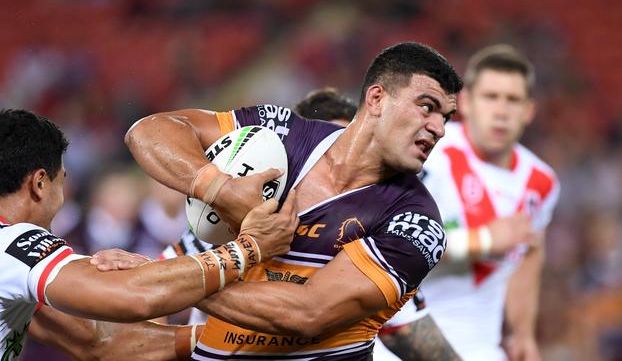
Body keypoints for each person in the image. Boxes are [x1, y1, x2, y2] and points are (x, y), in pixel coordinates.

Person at [125, 41, 463, 360]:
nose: (439, 129)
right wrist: (220, 190)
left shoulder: (418, 222)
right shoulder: (279, 135)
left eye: (445, 117)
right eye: (427, 107)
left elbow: (307, 313)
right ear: (376, 98)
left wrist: (167, 278)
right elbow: (149, 130)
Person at [0, 109, 298, 360]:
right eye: (60, 182)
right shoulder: (13, 244)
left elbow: (98, 341)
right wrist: (248, 249)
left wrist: (229, 338)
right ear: (39, 184)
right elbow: (136, 296)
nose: (62, 198)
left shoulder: (14, 271)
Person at [417, 45, 560, 361]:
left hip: (479, 346)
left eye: (512, 100)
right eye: (490, 97)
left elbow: (530, 255)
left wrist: (523, 334)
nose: (501, 111)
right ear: (465, 102)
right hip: (403, 336)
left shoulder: (542, 181)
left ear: (529, 110)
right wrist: (483, 240)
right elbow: (389, 244)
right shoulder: (429, 149)